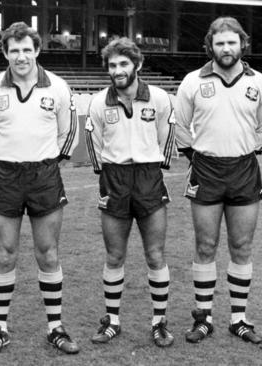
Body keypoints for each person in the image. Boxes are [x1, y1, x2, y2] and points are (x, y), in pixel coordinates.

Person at [0, 21, 80, 355]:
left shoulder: (58, 88)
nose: (21, 57)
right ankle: (0, 328)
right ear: (5, 52)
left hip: (45, 175)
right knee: (4, 253)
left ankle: (55, 327)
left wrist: (46, 163)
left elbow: (68, 135)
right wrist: (8, 160)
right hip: (4, 175)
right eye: (14, 50)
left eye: (26, 50)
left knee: (47, 252)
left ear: (37, 50)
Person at [174, 17, 262, 344]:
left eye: (232, 42)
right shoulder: (191, 81)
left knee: (241, 246)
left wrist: (243, 151)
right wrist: (202, 157)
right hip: (206, 170)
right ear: (210, 46)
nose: (226, 49)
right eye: (219, 43)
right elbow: (182, 130)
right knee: (205, 245)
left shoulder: (258, 82)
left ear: (242, 44)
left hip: (244, 170)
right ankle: (203, 318)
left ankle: (239, 319)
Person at [85, 37, 176, 347]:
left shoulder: (160, 98)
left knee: (155, 254)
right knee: (114, 255)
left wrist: (153, 166)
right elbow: (94, 144)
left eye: (123, 63)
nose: (117, 70)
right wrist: (107, 174)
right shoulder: (99, 102)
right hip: (114, 179)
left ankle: (159, 322)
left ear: (137, 65)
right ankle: (112, 321)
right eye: (112, 65)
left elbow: (166, 137)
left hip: (149, 179)